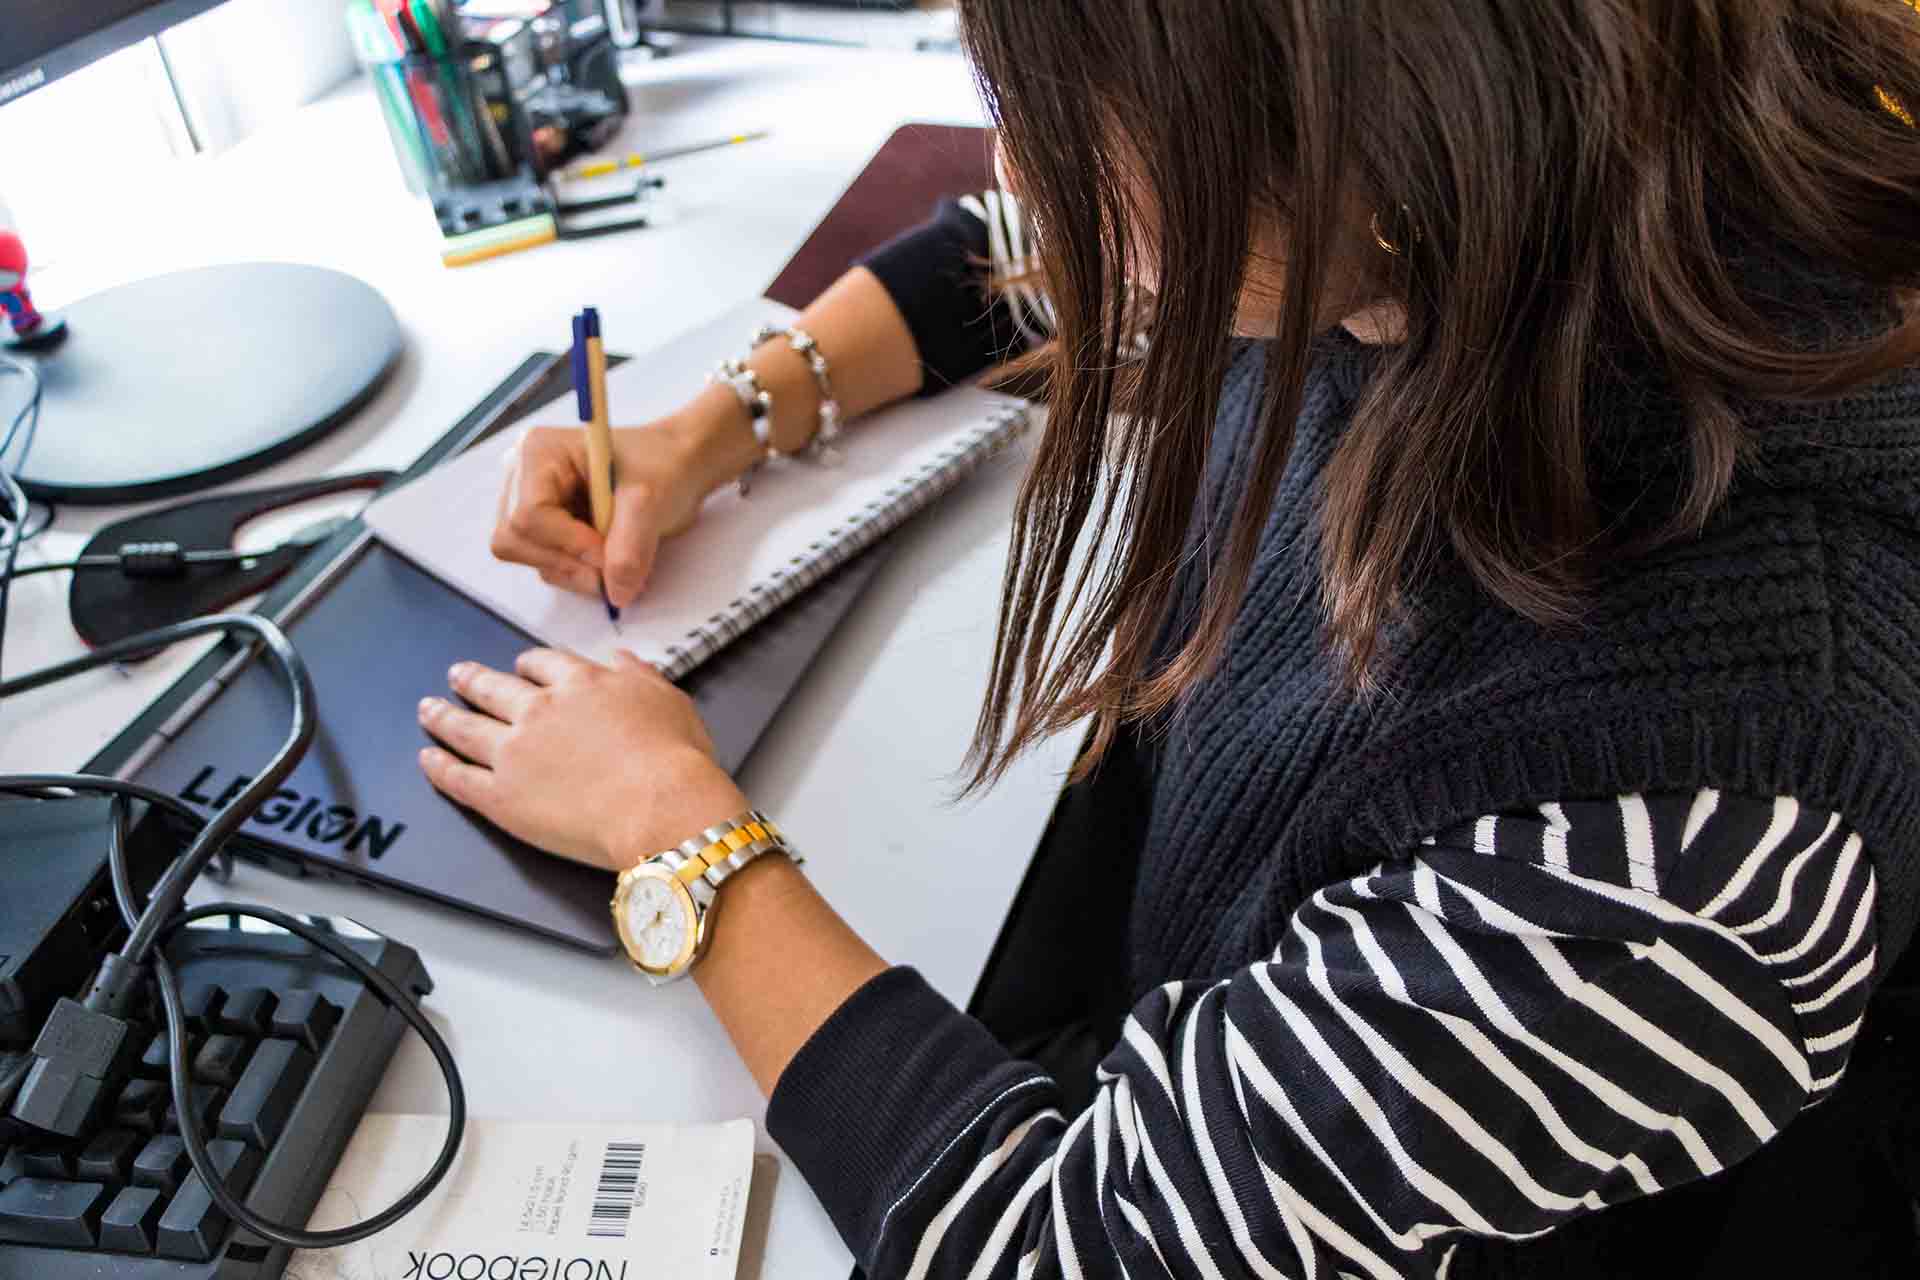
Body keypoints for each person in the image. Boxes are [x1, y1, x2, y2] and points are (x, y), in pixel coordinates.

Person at [414, 2, 1920, 1275]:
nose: (1018, 169)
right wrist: (716, 424)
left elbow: (1052, 1241)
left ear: (1368, 125)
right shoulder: (1541, 173)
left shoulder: (1687, 841)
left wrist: (678, 835)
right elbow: (1046, 238)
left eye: (1059, 120)